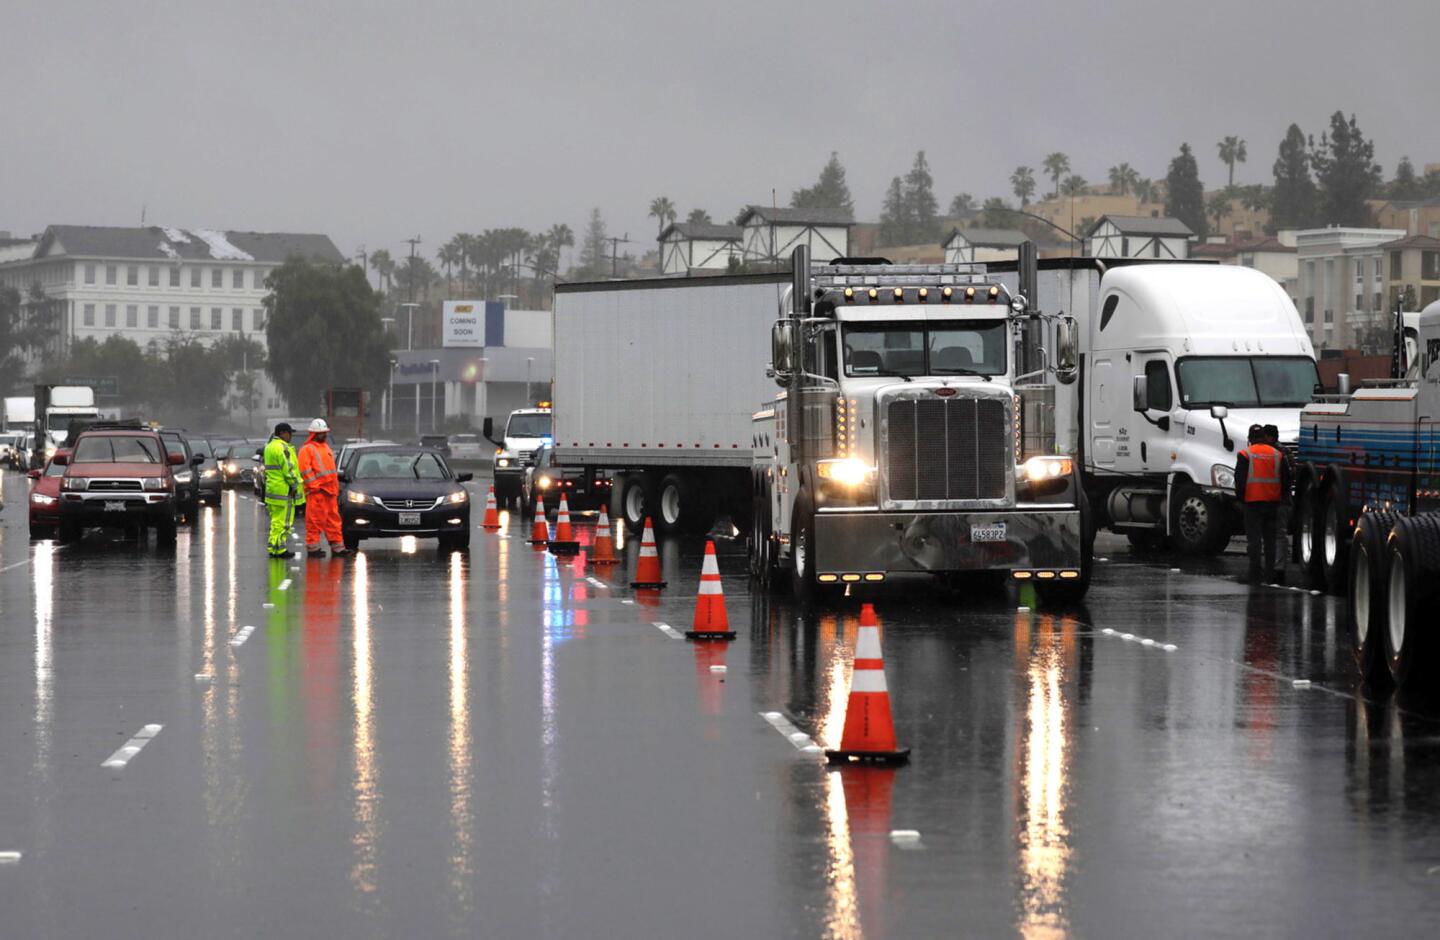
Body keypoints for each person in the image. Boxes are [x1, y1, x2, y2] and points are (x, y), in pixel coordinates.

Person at [1234, 424, 1290, 585]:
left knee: (1254, 541)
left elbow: (1240, 480)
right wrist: (1281, 498)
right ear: (1264, 437)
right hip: (1272, 503)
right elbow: (1286, 480)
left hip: (1252, 504)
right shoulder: (1277, 454)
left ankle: (1255, 573)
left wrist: (1241, 500)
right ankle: (1270, 574)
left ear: (1249, 439)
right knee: (1270, 540)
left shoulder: (1245, 454)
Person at [298, 418, 348, 557]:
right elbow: (305, 470)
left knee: (334, 521)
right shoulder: (307, 449)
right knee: (314, 521)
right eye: (321, 433)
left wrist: (335, 488)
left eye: (325, 432)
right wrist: (314, 486)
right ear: (314, 434)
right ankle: (313, 549)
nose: (324, 435)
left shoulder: (326, 448)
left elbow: (331, 471)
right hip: (317, 492)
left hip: (330, 492)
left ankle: (338, 547)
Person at [262, 422, 303, 558]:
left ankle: (274, 547)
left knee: (275, 521)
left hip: (272, 490)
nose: (291, 436)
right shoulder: (283, 448)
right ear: (283, 433)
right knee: (284, 523)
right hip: (284, 490)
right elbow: (289, 470)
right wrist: (295, 485)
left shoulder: (269, 447)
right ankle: (280, 549)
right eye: (290, 433)